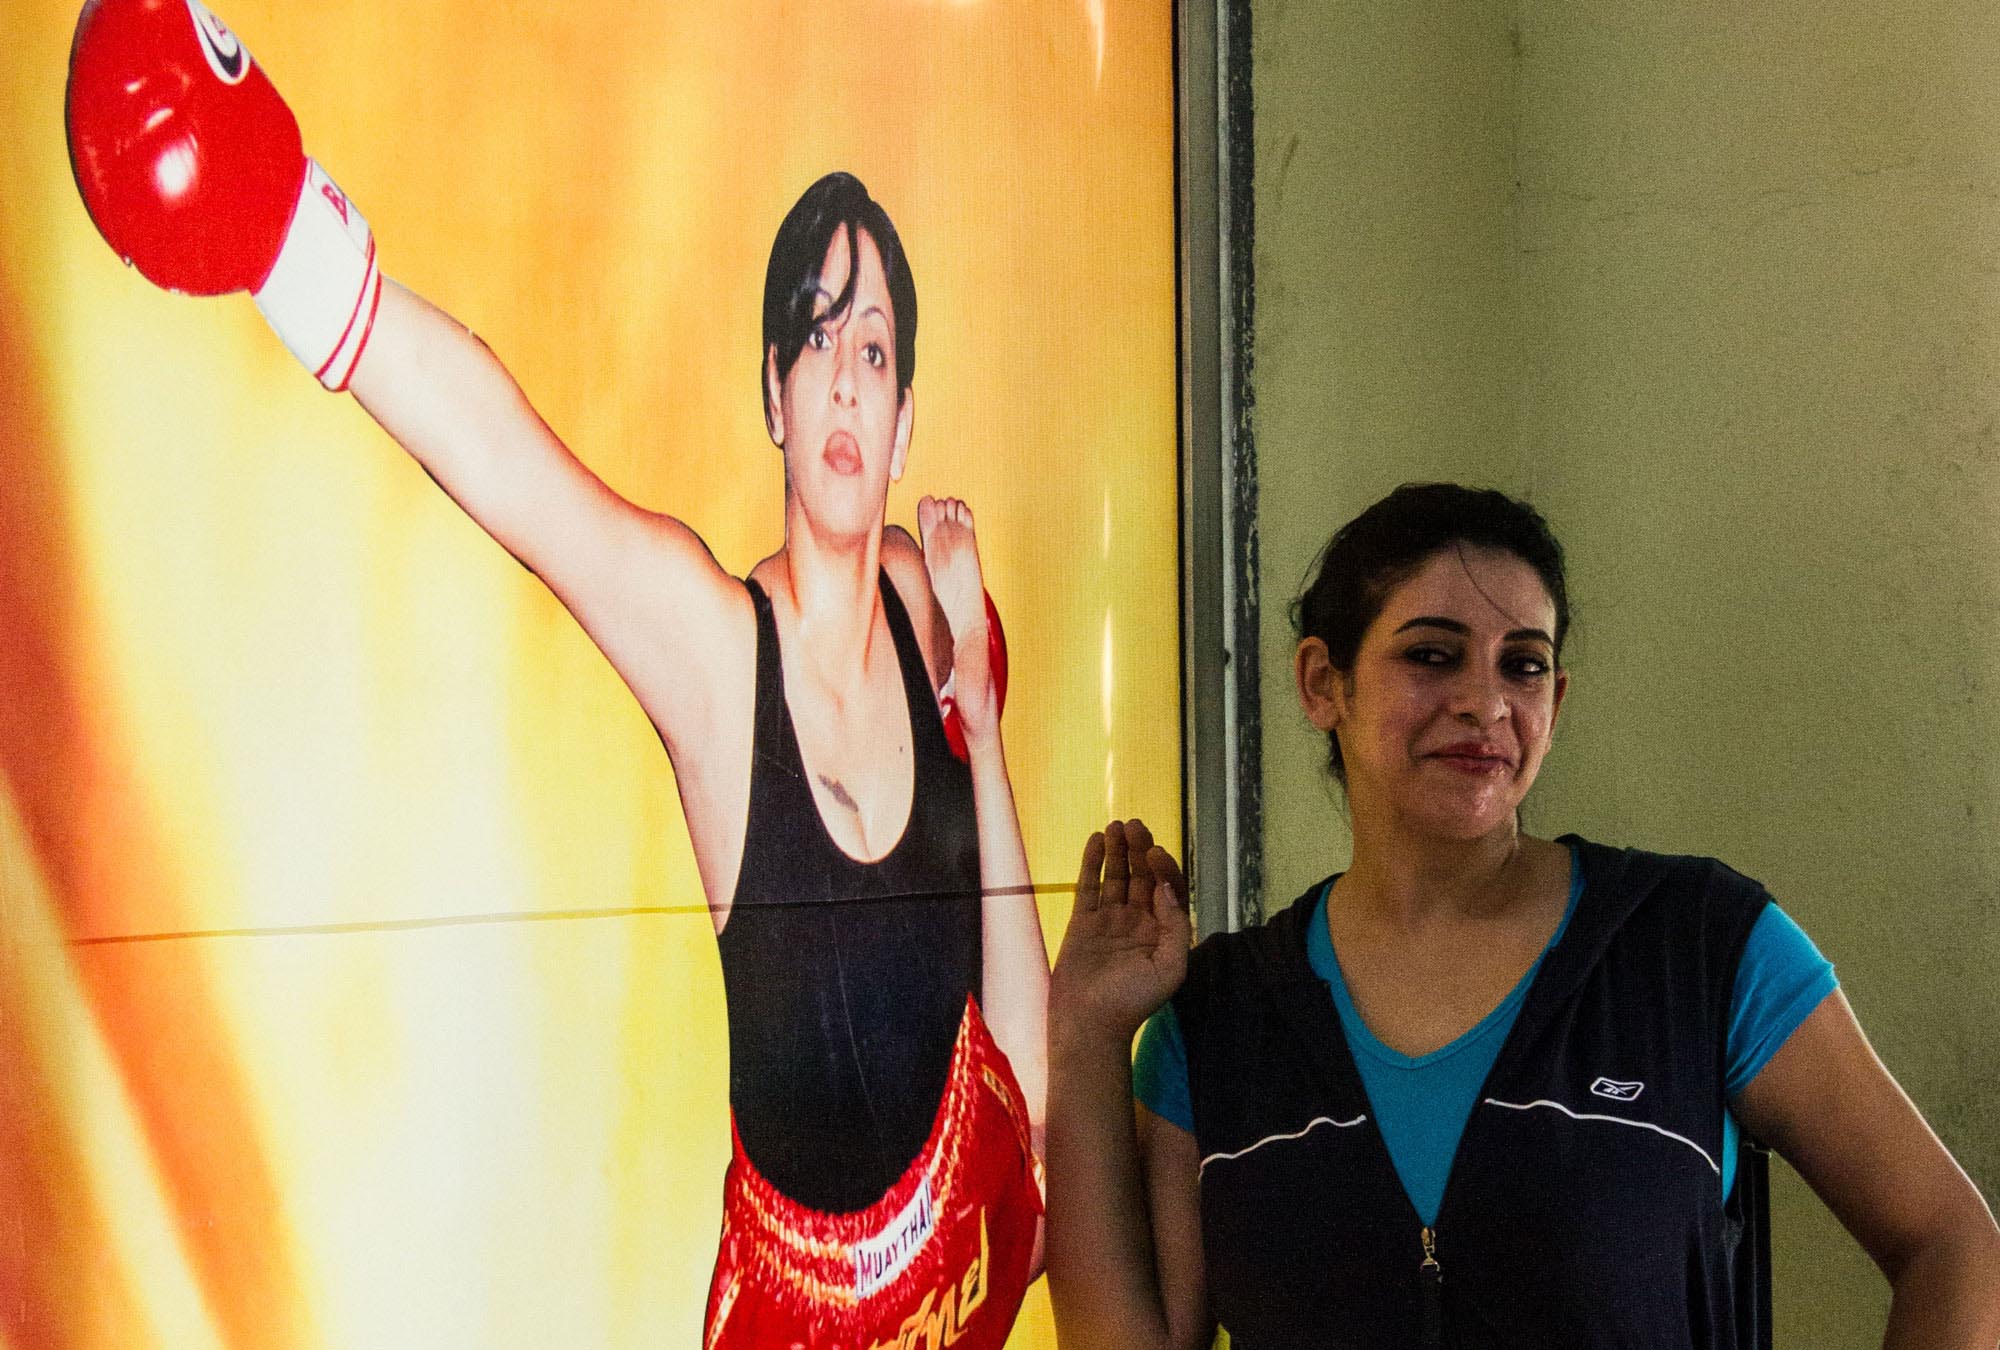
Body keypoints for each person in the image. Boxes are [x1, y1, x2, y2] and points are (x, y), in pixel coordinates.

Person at [65, 4, 1047, 1346]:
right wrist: (285, 234)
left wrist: (981, 731)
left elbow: (1021, 1094)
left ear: (905, 413)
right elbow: (519, 472)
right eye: (815, 340)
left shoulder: (933, 608)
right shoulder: (713, 652)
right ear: (772, 390)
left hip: (979, 1270)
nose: (842, 383)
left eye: (872, 350)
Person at [1046, 483, 2000, 1348]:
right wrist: (1087, 1035)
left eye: (1525, 666)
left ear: (1558, 699)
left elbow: (1952, 1243)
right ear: (1321, 682)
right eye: (1432, 655)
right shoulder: (1221, 1015)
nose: (1485, 703)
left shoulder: (1700, 946)